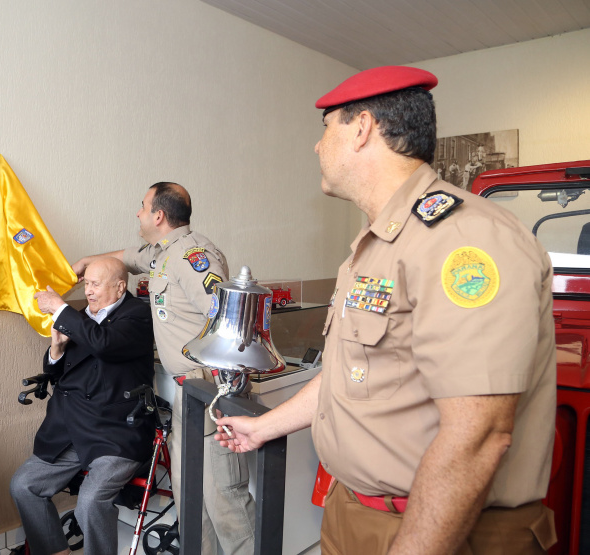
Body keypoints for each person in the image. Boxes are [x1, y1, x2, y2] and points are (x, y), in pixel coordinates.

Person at [215, 65, 557, 554]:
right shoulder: (375, 246)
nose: (317, 146)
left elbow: (478, 435)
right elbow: (349, 374)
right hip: (354, 514)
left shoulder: (463, 240)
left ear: (362, 128)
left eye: (325, 127)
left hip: (437, 530)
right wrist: (262, 428)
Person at [72, 183, 255, 555]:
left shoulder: (193, 256)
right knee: (192, 500)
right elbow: (127, 256)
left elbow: (226, 322)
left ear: (158, 215)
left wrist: (226, 396)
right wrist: (86, 263)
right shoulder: (162, 252)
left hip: (210, 391)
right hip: (188, 392)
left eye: (142, 207)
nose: (137, 214)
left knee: (224, 500)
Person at [11, 257, 154, 555]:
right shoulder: (81, 317)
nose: (88, 291)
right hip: (71, 428)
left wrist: (60, 309)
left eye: (96, 284)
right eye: (86, 283)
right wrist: (56, 349)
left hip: (115, 432)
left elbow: (103, 344)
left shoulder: (138, 315)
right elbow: (55, 373)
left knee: (90, 502)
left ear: (119, 287)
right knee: (24, 485)